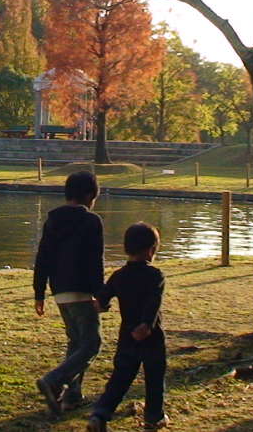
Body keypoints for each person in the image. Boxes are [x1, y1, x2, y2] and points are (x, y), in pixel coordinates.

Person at [33, 171, 105, 416]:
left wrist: (39, 292)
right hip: (82, 290)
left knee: (76, 343)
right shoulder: (91, 221)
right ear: (90, 195)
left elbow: (42, 257)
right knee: (92, 343)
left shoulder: (52, 220)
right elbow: (95, 261)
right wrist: (100, 293)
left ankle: (72, 397)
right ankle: (54, 380)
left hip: (59, 290)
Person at [86, 223, 168, 431]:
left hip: (127, 334)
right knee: (154, 377)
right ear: (151, 250)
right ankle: (153, 416)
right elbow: (153, 302)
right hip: (151, 335)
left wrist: (101, 305)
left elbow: (101, 298)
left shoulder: (119, 275)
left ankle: (100, 414)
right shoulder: (155, 275)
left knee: (120, 377)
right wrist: (146, 325)